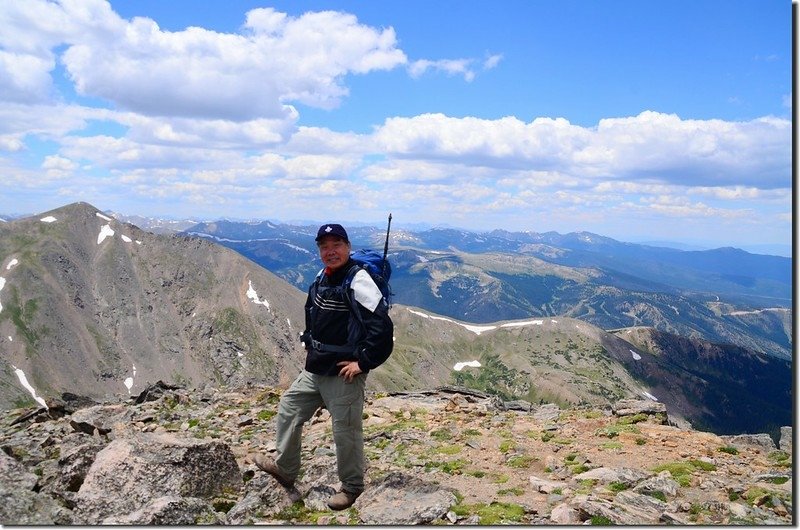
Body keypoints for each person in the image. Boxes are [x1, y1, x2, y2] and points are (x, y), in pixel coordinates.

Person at [251, 223, 394, 510]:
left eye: (336, 245)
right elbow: (312, 310)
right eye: (324, 246)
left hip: (343, 373)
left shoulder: (358, 279)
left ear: (348, 247)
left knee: (345, 430)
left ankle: (352, 487)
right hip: (315, 368)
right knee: (290, 408)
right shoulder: (323, 276)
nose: (330, 251)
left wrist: (363, 363)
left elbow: (382, 328)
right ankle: (286, 469)